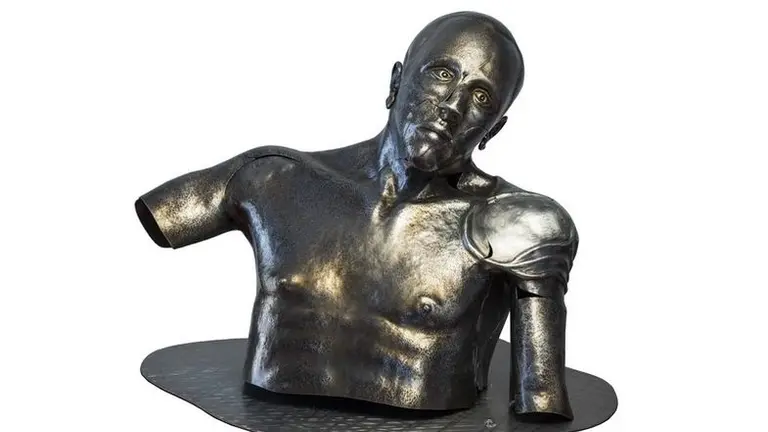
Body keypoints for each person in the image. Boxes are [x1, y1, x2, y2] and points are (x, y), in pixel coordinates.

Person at [135, 11, 578, 420]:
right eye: (442, 74)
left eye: (481, 96)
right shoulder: (273, 179)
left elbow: (541, 402)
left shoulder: (520, 225)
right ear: (397, 81)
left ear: (494, 128)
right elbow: (166, 213)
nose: (452, 106)